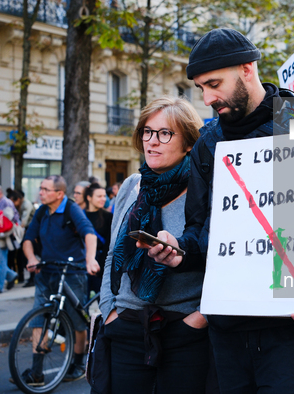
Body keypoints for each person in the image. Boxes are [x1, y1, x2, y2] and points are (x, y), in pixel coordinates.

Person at [179, 28, 294, 393]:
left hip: (289, 327)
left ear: (247, 68)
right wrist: (176, 251)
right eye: (201, 89)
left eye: (214, 84)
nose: (208, 98)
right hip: (227, 326)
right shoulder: (207, 144)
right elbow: (200, 231)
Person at [99, 96, 207, 393]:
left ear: (188, 143)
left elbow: (220, 260)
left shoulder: (204, 189)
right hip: (126, 326)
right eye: (147, 131)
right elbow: (112, 255)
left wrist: (198, 320)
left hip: (183, 331)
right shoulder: (132, 186)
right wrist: (110, 312)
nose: (152, 141)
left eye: (164, 133)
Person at [19, 175, 99, 385]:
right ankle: (37, 372)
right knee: (39, 320)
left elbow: (89, 234)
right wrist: (31, 258)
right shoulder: (42, 211)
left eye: (45, 189)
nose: (40, 192)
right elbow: (28, 239)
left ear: (59, 194)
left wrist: (90, 260)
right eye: (41, 188)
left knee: (77, 322)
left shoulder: (71, 209)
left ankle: (79, 364)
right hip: (46, 273)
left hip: (72, 273)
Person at [83, 182, 113, 296]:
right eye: (99, 196)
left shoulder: (108, 217)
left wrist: (102, 267)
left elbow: (109, 244)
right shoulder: (80, 216)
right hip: (82, 264)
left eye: (104, 196)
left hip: (101, 265)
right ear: (89, 197)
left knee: (104, 301)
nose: (103, 199)